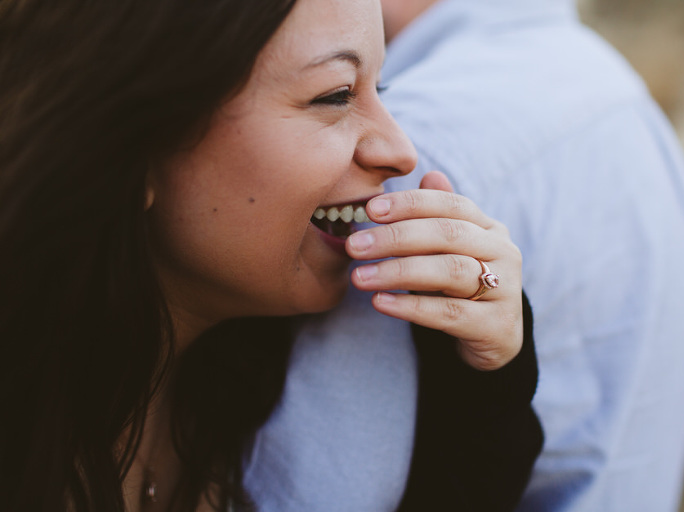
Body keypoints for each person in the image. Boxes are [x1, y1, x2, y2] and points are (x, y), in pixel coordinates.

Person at [0, 0, 542, 510]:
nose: (401, 151)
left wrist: (484, 382)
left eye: (382, 88)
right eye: (335, 95)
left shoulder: (256, 378)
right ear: (135, 142)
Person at [246, 0, 684, 511]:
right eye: (340, 95)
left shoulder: (425, 150)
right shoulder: (617, 93)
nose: (393, 146)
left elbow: (311, 490)